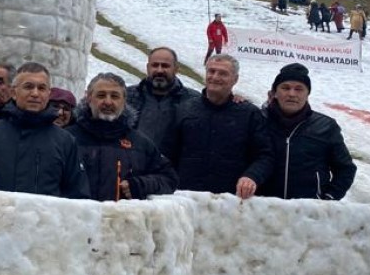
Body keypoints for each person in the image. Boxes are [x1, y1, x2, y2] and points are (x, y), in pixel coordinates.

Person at [0, 62, 89, 199]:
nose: (35, 93)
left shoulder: (65, 141)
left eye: (41, 88)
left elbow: (77, 196)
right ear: (13, 93)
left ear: (48, 94)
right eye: (28, 87)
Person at [166, 54, 271, 199]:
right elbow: (167, 153)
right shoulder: (183, 110)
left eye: (223, 73)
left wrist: (251, 176)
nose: (215, 77)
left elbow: (265, 155)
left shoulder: (249, 114)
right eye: (211, 71)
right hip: (187, 199)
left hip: (230, 201)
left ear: (235, 79)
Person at [67, 73, 177, 202]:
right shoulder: (68, 138)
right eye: (101, 95)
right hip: (78, 219)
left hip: (122, 220)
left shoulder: (140, 143)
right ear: (89, 98)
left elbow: (169, 178)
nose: (108, 102)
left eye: (115, 96)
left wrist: (140, 185)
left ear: (124, 101)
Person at [262, 63, 356, 200]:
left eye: (299, 89)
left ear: (307, 94)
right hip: (262, 209)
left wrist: (329, 198)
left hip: (309, 213)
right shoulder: (258, 121)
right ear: (275, 92)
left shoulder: (325, 126)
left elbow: (345, 169)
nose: (292, 94)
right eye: (285, 88)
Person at [126, 47, 200, 156]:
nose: (160, 70)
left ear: (176, 69)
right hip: (133, 166)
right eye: (155, 65)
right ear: (147, 68)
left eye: (165, 66)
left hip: (172, 170)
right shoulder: (128, 96)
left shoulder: (193, 100)